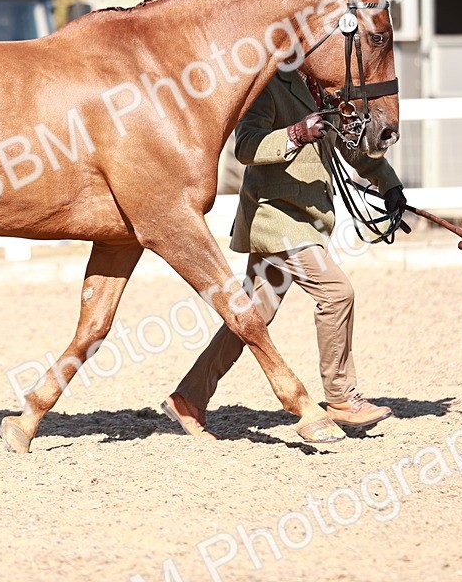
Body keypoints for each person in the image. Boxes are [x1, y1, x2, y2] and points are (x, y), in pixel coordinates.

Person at [162, 67, 406, 440]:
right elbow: (245, 145)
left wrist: (389, 185)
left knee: (253, 315)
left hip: (303, 219)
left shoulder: (323, 88)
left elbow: (350, 145)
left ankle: (189, 398)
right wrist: (296, 133)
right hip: (276, 217)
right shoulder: (268, 85)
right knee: (337, 293)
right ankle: (341, 397)